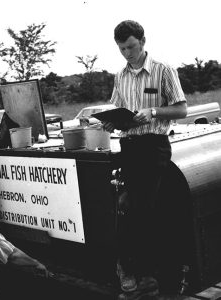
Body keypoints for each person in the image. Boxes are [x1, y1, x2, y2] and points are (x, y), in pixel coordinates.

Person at [103, 20, 187, 293]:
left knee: (146, 209)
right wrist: (110, 122)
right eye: (121, 49)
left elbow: (182, 110)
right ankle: (139, 271)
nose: (127, 53)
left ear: (143, 41)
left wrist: (153, 112)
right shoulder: (120, 76)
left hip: (154, 146)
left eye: (131, 46)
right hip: (129, 146)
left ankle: (150, 274)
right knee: (131, 208)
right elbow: (117, 108)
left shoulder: (163, 70)